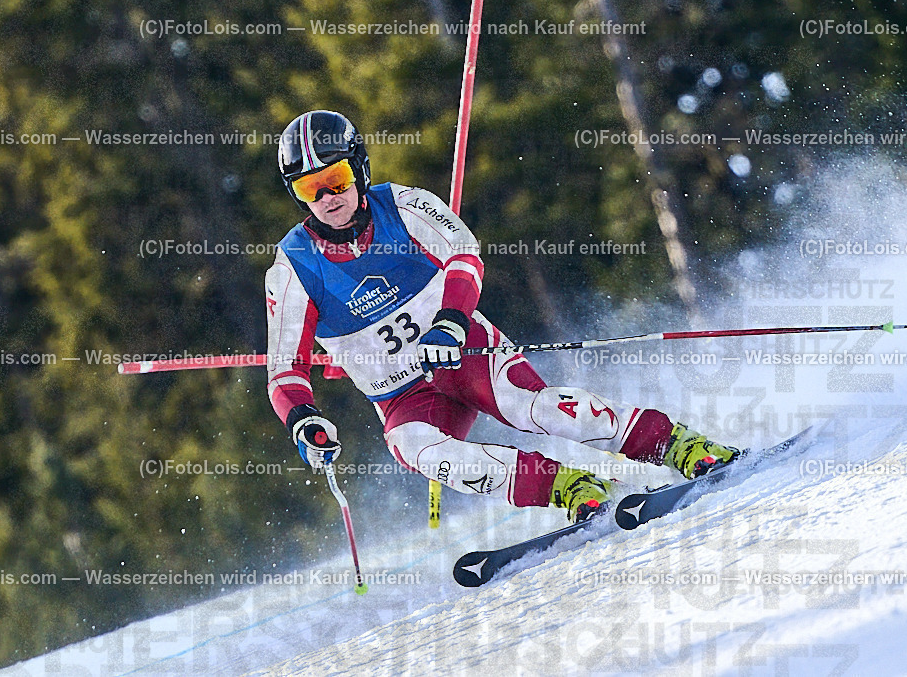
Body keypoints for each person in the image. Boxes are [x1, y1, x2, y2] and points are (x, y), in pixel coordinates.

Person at [265, 110, 738, 523]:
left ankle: (675, 444)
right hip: (403, 397)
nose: (328, 196)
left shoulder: (404, 206)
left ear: (360, 167)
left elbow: (465, 255)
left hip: (466, 353)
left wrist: (449, 322)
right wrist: (303, 420)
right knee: (417, 450)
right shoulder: (294, 267)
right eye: (310, 187)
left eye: (337, 177)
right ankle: (569, 487)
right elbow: (285, 367)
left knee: (533, 408)